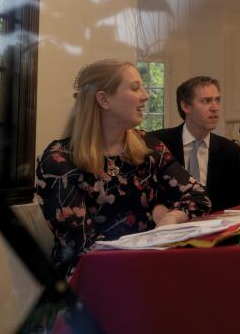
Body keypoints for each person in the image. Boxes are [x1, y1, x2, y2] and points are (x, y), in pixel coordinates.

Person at [35, 60, 211, 279]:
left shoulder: (148, 146)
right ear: (103, 99)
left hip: (146, 269)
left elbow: (198, 196)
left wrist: (170, 219)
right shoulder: (58, 162)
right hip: (90, 283)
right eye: (135, 88)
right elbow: (86, 249)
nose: (146, 96)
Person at [150, 76, 240, 211]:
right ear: (185, 106)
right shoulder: (159, 143)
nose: (215, 108)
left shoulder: (230, 151)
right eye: (206, 101)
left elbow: (234, 204)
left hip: (215, 227)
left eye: (217, 100)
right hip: (169, 226)